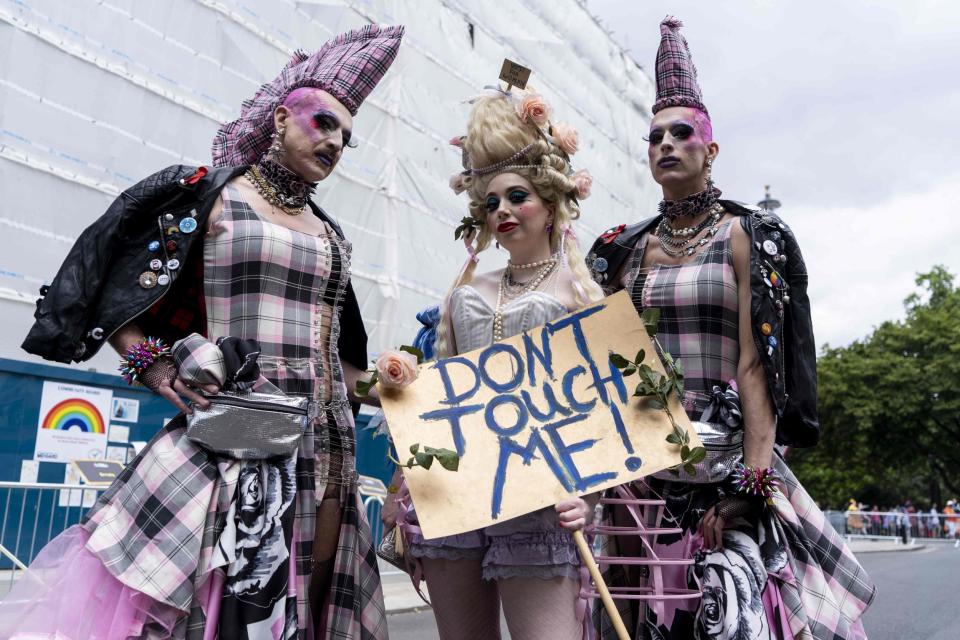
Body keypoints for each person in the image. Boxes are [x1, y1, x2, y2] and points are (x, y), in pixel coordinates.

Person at [5, 24, 403, 639]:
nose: (335, 142)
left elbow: (343, 361)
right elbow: (116, 295)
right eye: (323, 123)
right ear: (279, 119)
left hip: (328, 447)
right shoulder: (210, 197)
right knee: (213, 606)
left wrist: (414, 389)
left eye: (347, 138)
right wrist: (154, 367)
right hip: (235, 430)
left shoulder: (331, 235)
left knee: (304, 604)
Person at [587, 17, 875, 639]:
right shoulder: (624, 251)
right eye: (655, 135)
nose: (666, 144)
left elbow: (756, 366)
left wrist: (750, 485)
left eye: (682, 133)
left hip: (727, 465)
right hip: (640, 474)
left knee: (729, 616)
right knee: (638, 617)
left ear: (710, 151)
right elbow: (605, 366)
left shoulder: (744, 236)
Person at [390, 83, 601, 640]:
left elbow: (606, 406)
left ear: (551, 202)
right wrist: (400, 483)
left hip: (541, 495)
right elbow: (437, 385)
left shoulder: (581, 291)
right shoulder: (467, 283)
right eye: (491, 203)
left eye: (517, 197)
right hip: (456, 485)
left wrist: (590, 496)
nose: (502, 210)